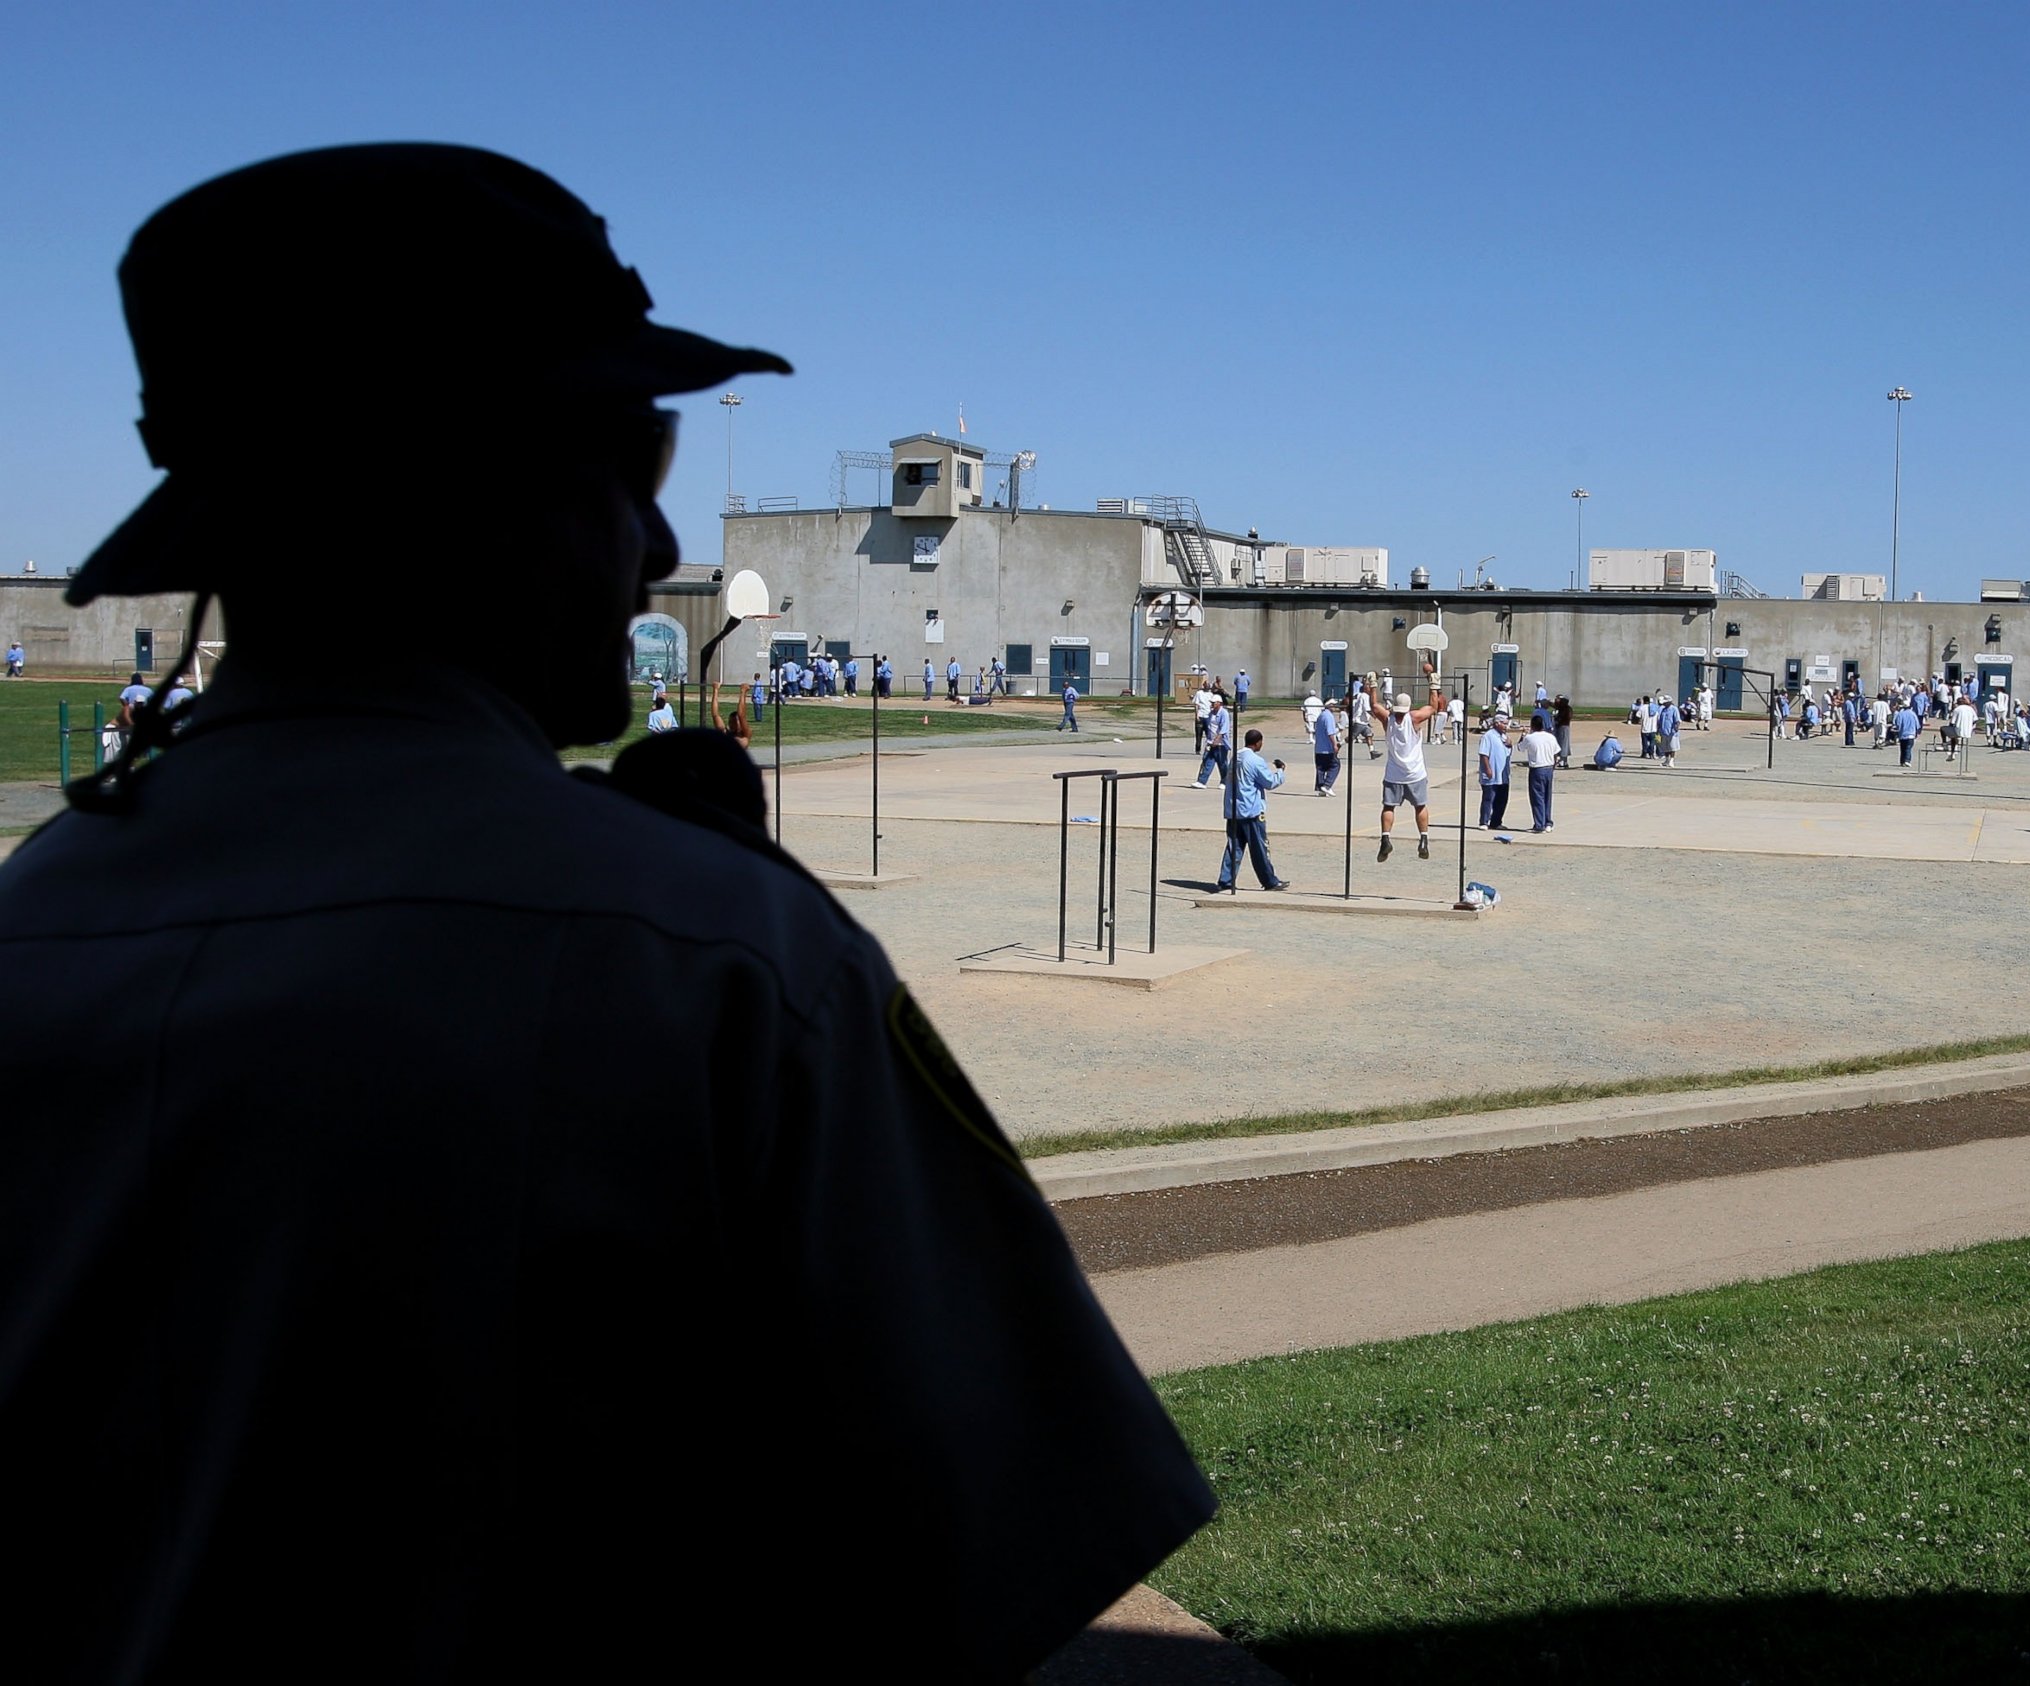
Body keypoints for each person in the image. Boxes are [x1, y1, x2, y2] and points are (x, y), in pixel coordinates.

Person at [0, 143, 1208, 1684]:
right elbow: (1003, 1536)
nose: (656, 556)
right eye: (625, 476)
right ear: (473, 489)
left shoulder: (31, 922)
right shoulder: (710, 958)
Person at [1369, 662, 1445, 860]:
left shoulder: (1389, 719)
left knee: (1388, 806)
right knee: (1420, 806)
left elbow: (1374, 706)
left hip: (1395, 772)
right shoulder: (1415, 718)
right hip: (1415, 772)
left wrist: (1373, 685)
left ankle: (1385, 838)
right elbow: (1433, 707)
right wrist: (1433, 684)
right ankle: (1424, 838)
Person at [1215, 728, 1288, 892]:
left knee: (1234, 846)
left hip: (1234, 809)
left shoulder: (1236, 757)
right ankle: (1269, 881)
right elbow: (1269, 782)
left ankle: (1225, 880)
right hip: (1251, 810)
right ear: (1258, 742)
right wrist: (1281, 771)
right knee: (1259, 848)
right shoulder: (1255, 760)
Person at [1519, 712, 1559, 831]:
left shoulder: (1530, 738)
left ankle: (1539, 824)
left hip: (1537, 768)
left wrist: (1523, 735)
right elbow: (1556, 752)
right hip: (1549, 767)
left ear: (1532, 726)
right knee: (1547, 795)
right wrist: (1554, 763)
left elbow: (1520, 747)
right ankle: (1547, 822)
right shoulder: (1550, 737)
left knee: (1537, 797)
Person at [1476, 713, 1512, 829]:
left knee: (1502, 800)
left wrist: (1510, 745)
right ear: (1497, 723)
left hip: (1503, 774)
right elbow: (1483, 754)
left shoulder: (1504, 736)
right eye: (1504, 724)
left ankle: (1496, 822)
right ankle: (1484, 822)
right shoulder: (1488, 736)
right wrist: (1487, 769)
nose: (1506, 726)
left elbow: (1507, 753)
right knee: (1488, 798)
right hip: (1492, 773)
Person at [1195, 694, 1233, 787]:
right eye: (1211, 702)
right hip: (1210, 742)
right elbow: (1209, 726)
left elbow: (1224, 728)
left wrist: (1217, 739)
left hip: (1220, 743)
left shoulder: (1224, 713)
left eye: (1213, 703)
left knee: (1222, 764)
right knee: (1207, 761)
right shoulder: (1211, 713)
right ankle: (1201, 781)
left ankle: (1225, 782)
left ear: (1219, 703)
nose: (1211, 704)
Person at [1310, 691, 1341, 794]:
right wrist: (1334, 744)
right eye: (1333, 704)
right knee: (1335, 765)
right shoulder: (1328, 716)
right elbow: (1330, 732)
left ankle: (1321, 788)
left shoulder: (1321, 716)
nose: (1334, 706)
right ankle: (1327, 785)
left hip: (1319, 748)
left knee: (1321, 768)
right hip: (1327, 748)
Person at [1897, 696, 1919, 767]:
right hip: (1911, 734)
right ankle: (1907, 760)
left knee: (1902, 748)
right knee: (1908, 748)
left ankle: (1902, 761)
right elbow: (1917, 725)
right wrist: (1916, 732)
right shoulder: (1913, 714)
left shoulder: (1901, 714)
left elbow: (1898, 724)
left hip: (1902, 734)